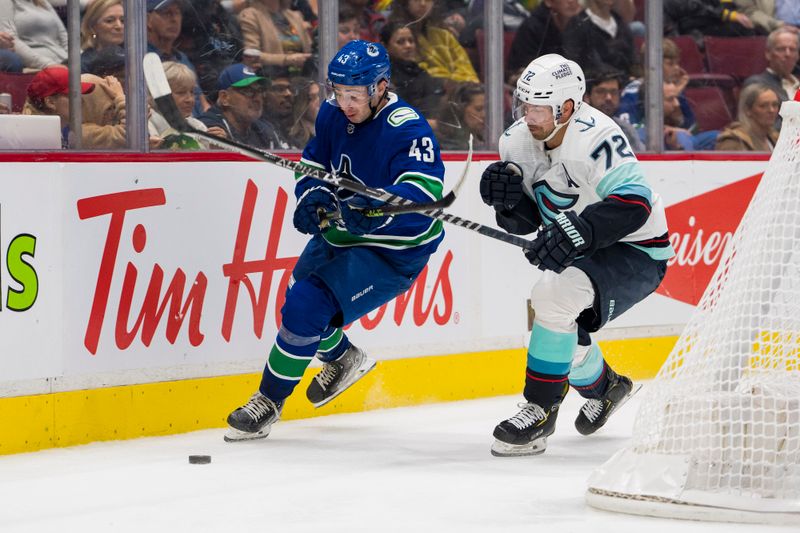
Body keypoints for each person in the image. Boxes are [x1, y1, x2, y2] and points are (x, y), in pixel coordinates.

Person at [225, 40, 446, 442]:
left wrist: (378, 210)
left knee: (308, 305)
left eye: (355, 95)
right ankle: (343, 358)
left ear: (380, 87)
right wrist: (312, 195)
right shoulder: (331, 113)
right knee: (297, 299)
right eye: (338, 92)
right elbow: (312, 164)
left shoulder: (407, 127)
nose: (345, 103)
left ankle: (267, 401)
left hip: (392, 250)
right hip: (342, 230)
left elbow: (424, 195)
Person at [479, 53, 673, 456]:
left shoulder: (597, 136)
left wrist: (578, 229)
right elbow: (528, 221)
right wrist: (508, 204)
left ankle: (540, 409)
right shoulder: (516, 141)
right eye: (524, 105)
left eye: (538, 107)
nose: (527, 116)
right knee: (559, 318)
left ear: (567, 107)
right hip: (584, 246)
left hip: (636, 249)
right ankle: (608, 388)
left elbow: (633, 202)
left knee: (552, 297)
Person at [198, 62, 286, 149]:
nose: (257, 98)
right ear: (224, 98)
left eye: (259, 91)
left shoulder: (264, 130)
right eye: (248, 91)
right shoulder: (207, 126)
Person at [388, 0, 479, 84]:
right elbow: (415, 73)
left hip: (459, 93)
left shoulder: (444, 35)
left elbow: (469, 72)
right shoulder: (399, 37)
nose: (423, 3)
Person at [380, 20, 445, 123]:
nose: (408, 46)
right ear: (384, 46)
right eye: (400, 42)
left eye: (411, 41)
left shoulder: (420, 72)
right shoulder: (383, 76)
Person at [506, 0, 582, 84]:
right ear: (549, 2)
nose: (571, 1)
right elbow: (523, 73)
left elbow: (592, 67)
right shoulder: (532, 27)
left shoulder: (582, 25)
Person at [22, 66, 95, 147]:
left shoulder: (61, 132)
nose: (82, 101)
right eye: (73, 96)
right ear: (50, 102)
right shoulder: (40, 140)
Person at [562, 0, 637, 79]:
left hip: (624, 85)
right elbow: (575, 64)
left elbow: (632, 61)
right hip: (594, 86)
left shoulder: (620, 23)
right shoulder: (578, 24)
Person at [238, 0, 313, 74]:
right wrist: (287, 59)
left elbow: (310, 49)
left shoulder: (295, 16)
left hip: (304, 78)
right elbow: (251, 55)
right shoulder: (250, 15)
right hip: (273, 79)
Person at [584, 69, 644, 151]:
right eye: (601, 92)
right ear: (587, 97)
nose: (609, 97)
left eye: (614, 92)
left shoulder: (626, 130)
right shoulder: (575, 130)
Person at [0, 0, 68, 71]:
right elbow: (11, 41)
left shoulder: (42, 2)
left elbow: (64, 35)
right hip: (40, 63)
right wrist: (49, 64)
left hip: (65, 59)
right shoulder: (5, 2)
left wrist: (75, 58)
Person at [715, 83, 780, 151]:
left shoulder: (776, 139)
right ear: (747, 110)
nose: (771, 110)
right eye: (763, 106)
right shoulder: (733, 142)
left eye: (775, 105)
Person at [743, 27, 800, 104]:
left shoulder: (797, 83)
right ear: (768, 54)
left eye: (792, 49)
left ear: (798, 56)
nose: (788, 54)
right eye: (781, 49)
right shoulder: (757, 83)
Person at [436, 82, 486, 150]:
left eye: (486, 109)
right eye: (478, 109)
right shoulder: (444, 146)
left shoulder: (485, 142)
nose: (484, 115)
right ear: (460, 110)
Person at [80, 0, 124, 73]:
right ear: (92, 27)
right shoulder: (83, 65)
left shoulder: (133, 57)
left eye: (123, 20)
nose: (119, 26)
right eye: (109, 21)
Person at [286, 77, 320, 147]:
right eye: (312, 98)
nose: (319, 102)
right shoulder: (297, 139)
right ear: (302, 104)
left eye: (320, 96)